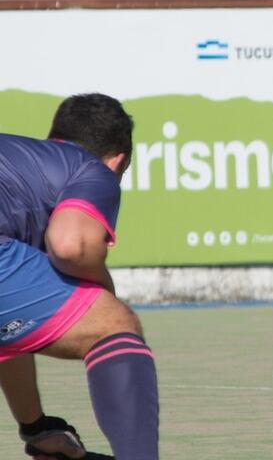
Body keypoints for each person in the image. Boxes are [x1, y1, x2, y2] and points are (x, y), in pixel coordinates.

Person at [0, 93, 159, 460]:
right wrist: (104, 292)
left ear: (52, 139)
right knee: (113, 324)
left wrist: (36, 427)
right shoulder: (90, 169)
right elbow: (70, 245)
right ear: (119, 161)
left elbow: (9, 331)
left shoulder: (20, 168)